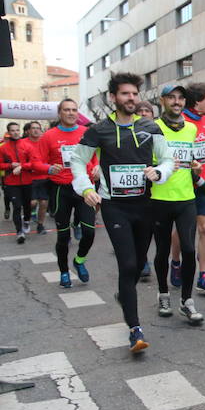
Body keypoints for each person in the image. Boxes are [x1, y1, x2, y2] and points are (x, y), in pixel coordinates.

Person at [70, 72, 175, 352]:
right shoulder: (99, 130)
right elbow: (77, 161)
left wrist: (159, 171)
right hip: (115, 206)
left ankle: (124, 293)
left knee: (139, 263)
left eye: (134, 94)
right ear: (113, 98)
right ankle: (135, 329)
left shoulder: (149, 127)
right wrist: (85, 189)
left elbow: (168, 160)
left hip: (145, 205)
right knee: (128, 265)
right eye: (125, 94)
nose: (131, 98)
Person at [150, 84, 203, 324]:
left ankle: (186, 301)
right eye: (171, 97)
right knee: (161, 251)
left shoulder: (192, 128)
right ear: (163, 100)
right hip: (159, 199)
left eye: (181, 98)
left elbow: (192, 157)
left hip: (185, 198)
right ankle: (163, 294)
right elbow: (145, 160)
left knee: (190, 250)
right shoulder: (153, 128)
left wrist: (195, 167)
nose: (177, 102)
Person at [33, 99, 96, 287]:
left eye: (74, 110)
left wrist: (95, 168)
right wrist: (48, 167)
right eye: (66, 110)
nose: (71, 113)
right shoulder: (49, 136)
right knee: (63, 236)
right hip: (62, 189)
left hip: (84, 188)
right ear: (59, 113)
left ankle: (79, 261)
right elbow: (37, 162)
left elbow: (93, 158)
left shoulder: (86, 133)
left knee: (89, 232)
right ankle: (64, 271)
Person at [175, 82, 205, 295]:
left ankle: (203, 275)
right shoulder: (180, 120)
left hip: (202, 182)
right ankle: (175, 262)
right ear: (197, 100)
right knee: (183, 229)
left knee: (204, 227)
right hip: (181, 182)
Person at [0, 122, 36, 243]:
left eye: (17, 130)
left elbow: (33, 162)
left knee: (27, 205)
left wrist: (22, 166)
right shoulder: (3, 147)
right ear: (8, 132)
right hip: (11, 183)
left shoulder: (27, 145)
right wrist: (11, 165)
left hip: (27, 181)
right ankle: (19, 232)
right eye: (13, 130)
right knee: (16, 206)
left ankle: (26, 221)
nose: (15, 132)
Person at [23, 122, 49, 234]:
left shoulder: (45, 142)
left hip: (44, 177)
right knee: (32, 202)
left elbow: (50, 159)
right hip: (29, 177)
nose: (36, 130)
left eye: (38, 128)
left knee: (43, 203)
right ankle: (29, 214)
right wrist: (33, 165)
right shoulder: (22, 143)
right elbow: (21, 162)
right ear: (28, 131)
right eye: (33, 128)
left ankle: (40, 225)